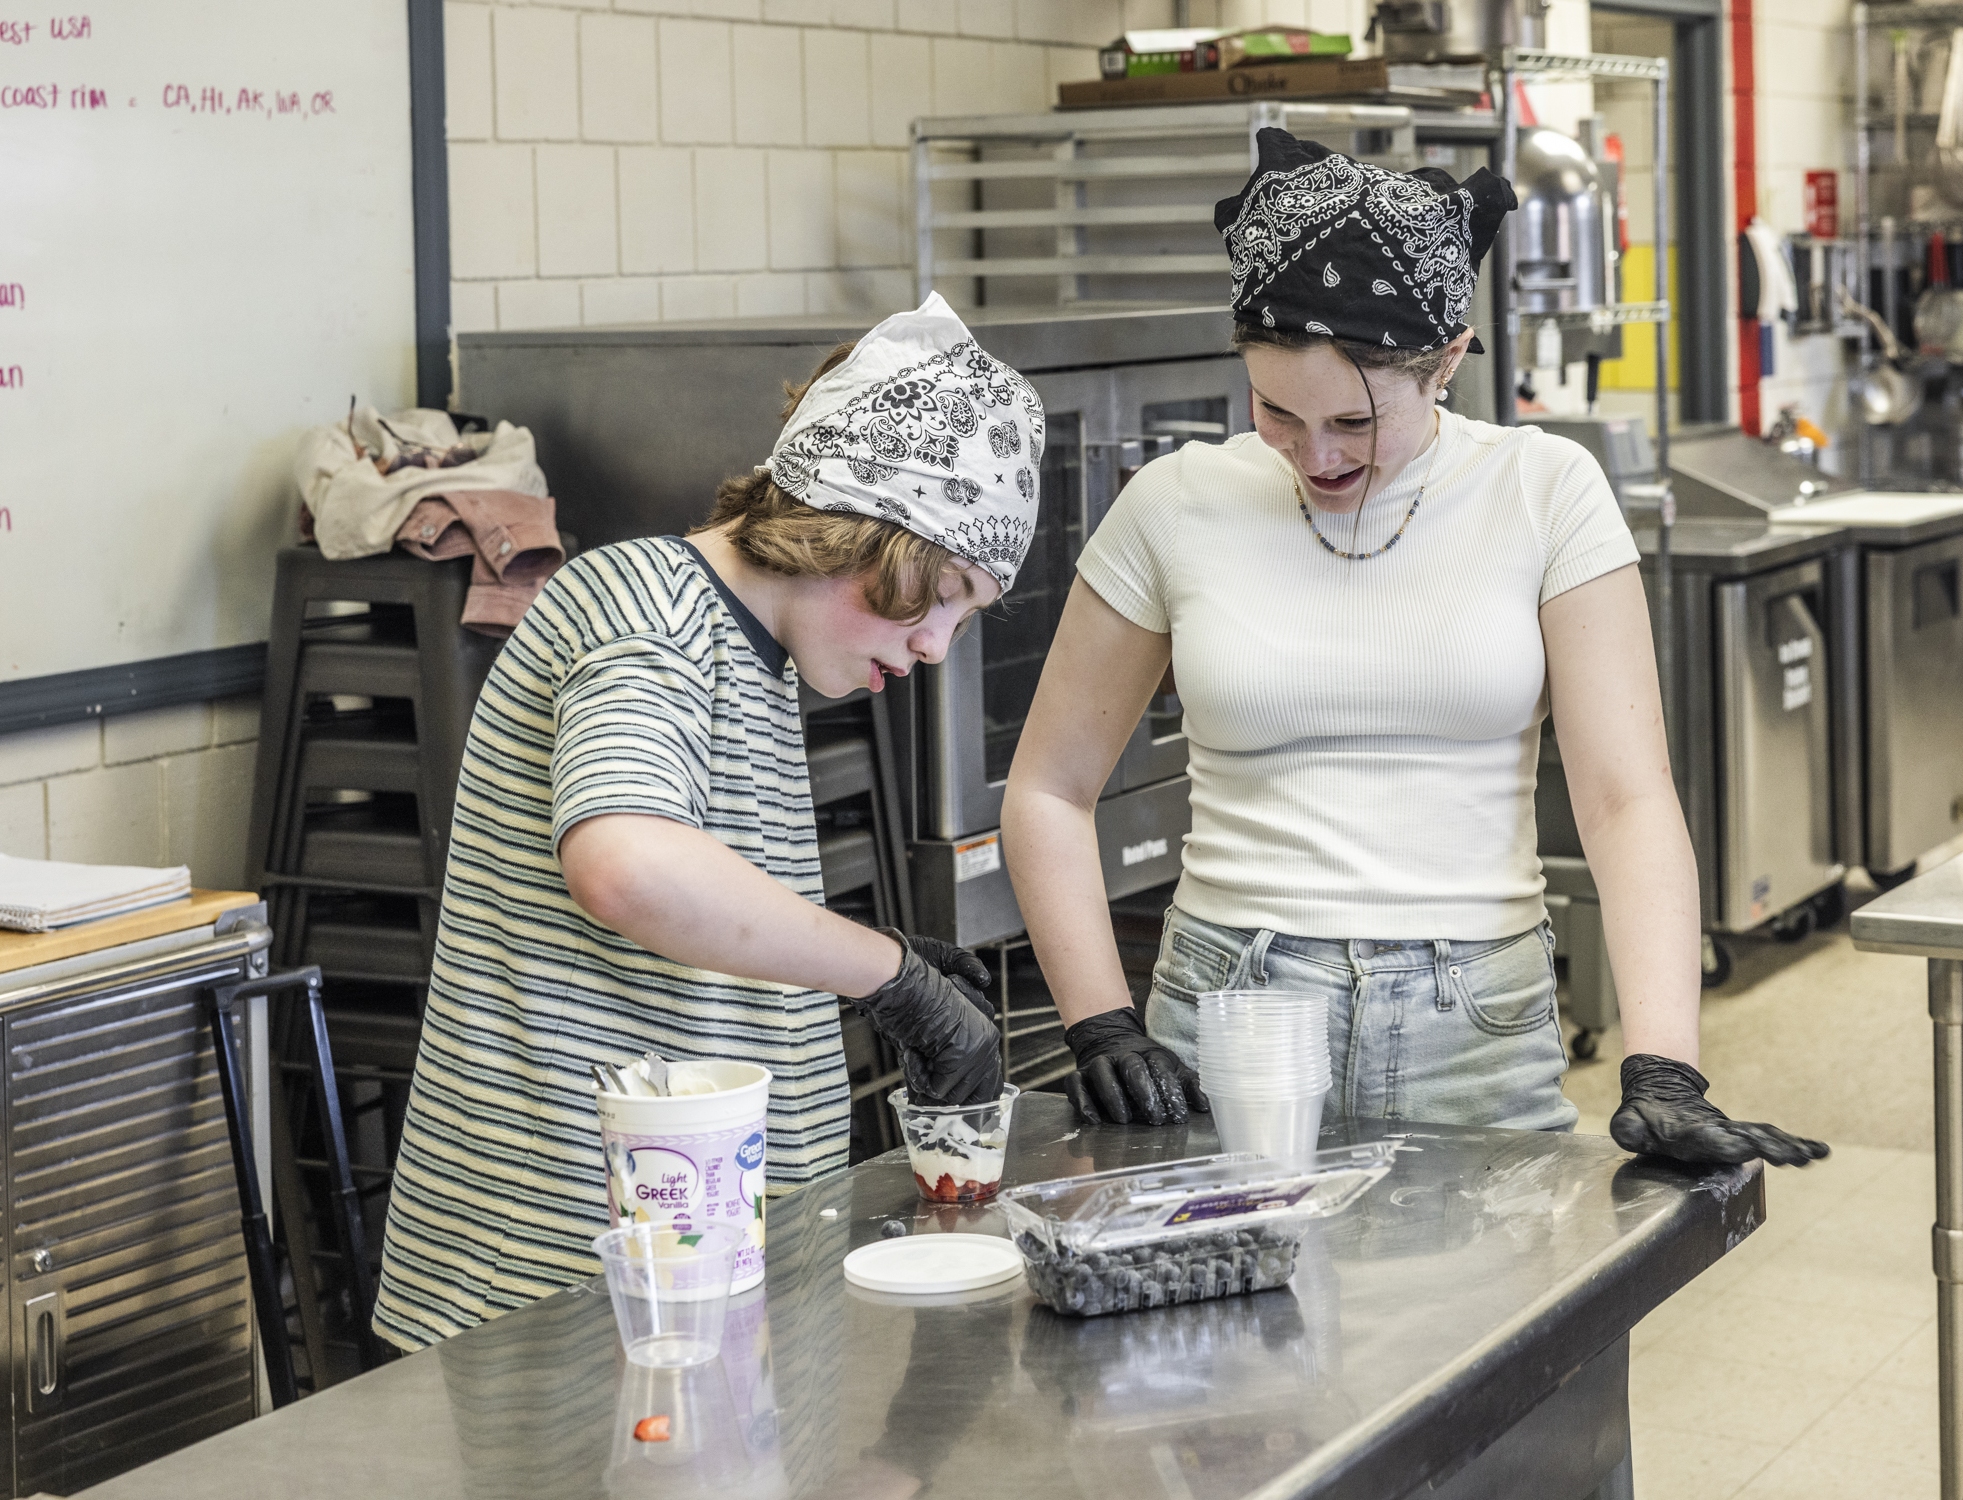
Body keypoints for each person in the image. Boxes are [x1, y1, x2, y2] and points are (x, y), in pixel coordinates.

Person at [1000, 131, 1825, 1171]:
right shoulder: (1174, 503)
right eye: (1274, 412)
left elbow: (1625, 798)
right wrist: (1099, 1022)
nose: (1317, 456)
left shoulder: (1543, 490)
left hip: (1471, 1019)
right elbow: (1048, 788)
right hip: (1230, 1013)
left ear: (1444, 361)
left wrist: (1662, 1061)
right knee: (1222, 1325)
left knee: (1493, 1323)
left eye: (1353, 419)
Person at [375, 294, 1044, 1350]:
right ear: (857, 528)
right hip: (556, 1295)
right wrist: (887, 976)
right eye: (940, 595)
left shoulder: (745, 653)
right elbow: (627, 865)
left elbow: (712, 921)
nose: (934, 649)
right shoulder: (647, 609)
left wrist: (888, 962)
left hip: (684, 1287)